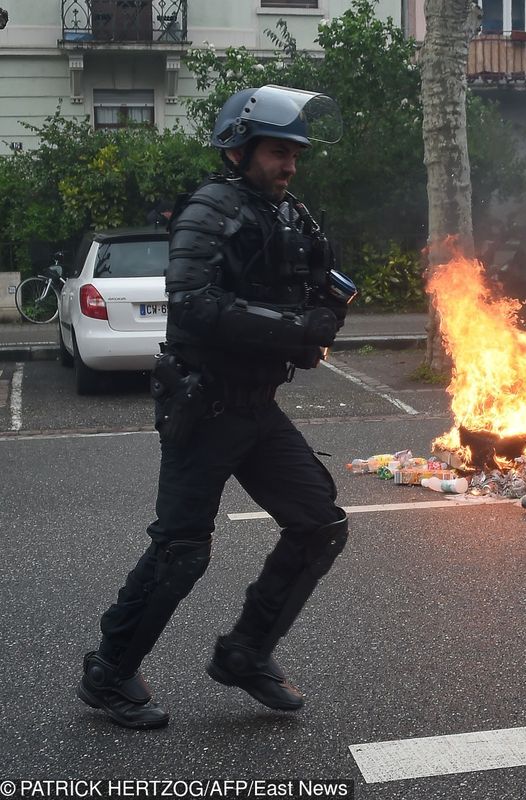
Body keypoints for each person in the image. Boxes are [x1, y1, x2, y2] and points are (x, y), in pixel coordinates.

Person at [77, 85, 358, 729]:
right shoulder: (211, 209)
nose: (289, 164)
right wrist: (297, 329)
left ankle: (244, 653)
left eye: (295, 153)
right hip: (203, 409)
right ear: (240, 150)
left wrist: (325, 313)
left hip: (257, 406)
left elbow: (321, 285)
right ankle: (109, 673)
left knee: (319, 524)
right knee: (182, 551)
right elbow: (195, 301)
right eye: (277, 151)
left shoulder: (291, 212)